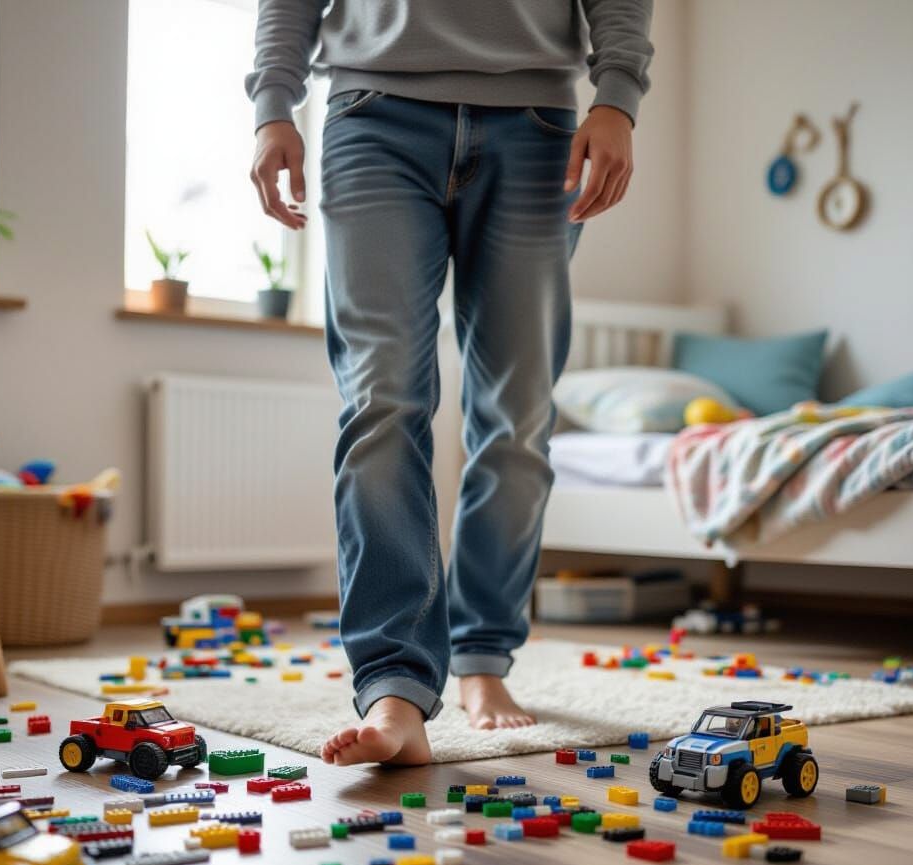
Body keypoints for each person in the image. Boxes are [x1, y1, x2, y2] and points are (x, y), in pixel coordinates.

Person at [246, 1, 654, 766]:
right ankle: (395, 687)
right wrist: (275, 104)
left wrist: (617, 95)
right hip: (373, 116)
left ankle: (482, 659)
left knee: (518, 417)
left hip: (537, 126)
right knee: (382, 401)